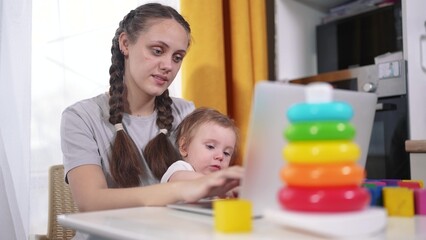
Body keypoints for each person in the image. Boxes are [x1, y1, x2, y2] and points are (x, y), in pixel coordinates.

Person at [60, 3, 243, 217]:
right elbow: (91, 202)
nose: (168, 65)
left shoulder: (186, 113)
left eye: (177, 57)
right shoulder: (81, 117)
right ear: (125, 44)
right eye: (157, 51)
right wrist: (181, 189)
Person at [159, 107, 239, 184]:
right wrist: (221, 185)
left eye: (226, 153)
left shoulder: (220, 183)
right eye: (210, 146)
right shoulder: (180, 168)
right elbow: (178, 179)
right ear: (184, 147)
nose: (220, 156)